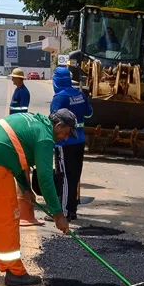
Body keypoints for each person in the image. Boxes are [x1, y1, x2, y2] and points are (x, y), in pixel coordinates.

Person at [0, 110, 75, 286]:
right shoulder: (45, 137)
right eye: (66, 133)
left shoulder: (35, 122)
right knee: (5, 218)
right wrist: (58, 214)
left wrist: (25, 188)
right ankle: (14, 271)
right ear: (58, 126)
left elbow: (17, 155)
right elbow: (45, 179)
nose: (65, 138)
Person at [49, 64, 94, 220]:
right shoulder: (80, 95)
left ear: (56, 82)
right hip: (80, 140)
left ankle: (63, 212)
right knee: (75, 175)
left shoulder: (59, 98)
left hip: (64, 142)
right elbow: (89, 113)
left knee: (64, 177)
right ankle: (72, 209)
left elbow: (54, 122)